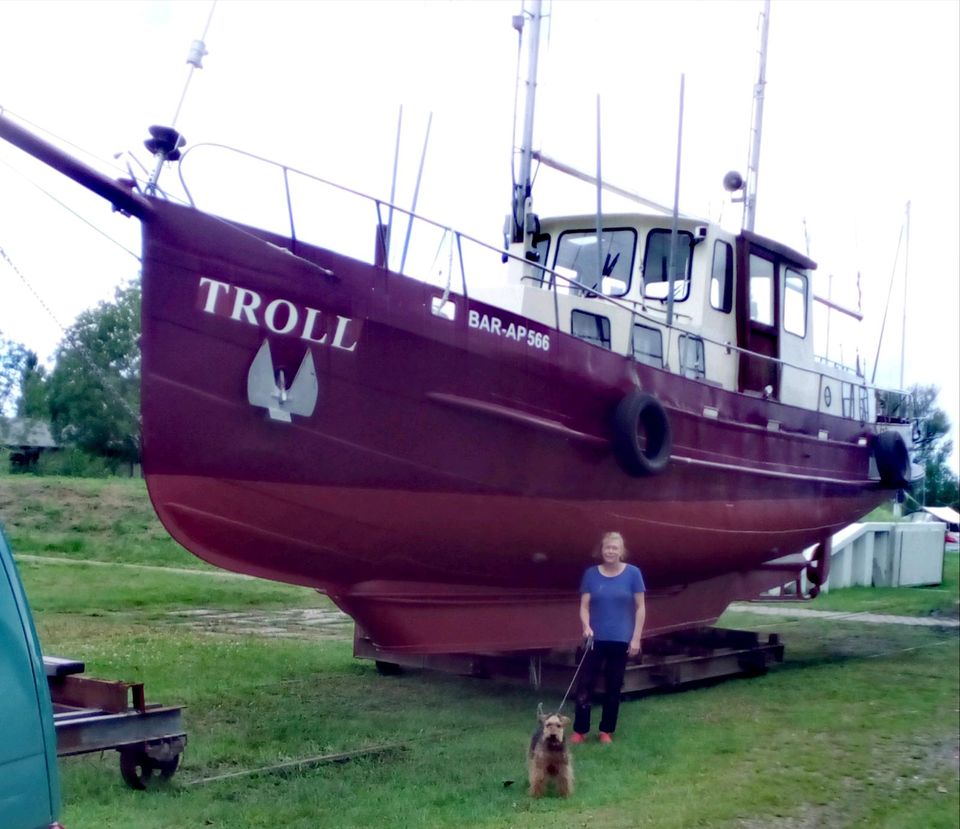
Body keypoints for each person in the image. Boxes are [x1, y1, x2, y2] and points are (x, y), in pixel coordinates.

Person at [572, 531, 645, 745]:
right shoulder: (591, 575)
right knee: (585, 685)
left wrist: (636, 638)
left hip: (621, 639)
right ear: (601, 550)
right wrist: (586, 626)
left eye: (615, 548)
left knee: (613, 685)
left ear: (621, 551)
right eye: (607, 548)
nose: (610, 551)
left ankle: (606, 731)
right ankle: (580, 731)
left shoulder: (633, 574)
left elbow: (641, 607)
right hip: (595, 639)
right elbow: (584, 606)